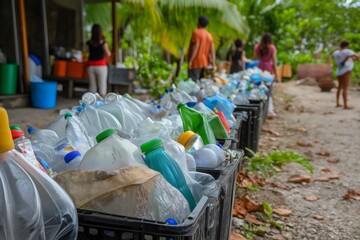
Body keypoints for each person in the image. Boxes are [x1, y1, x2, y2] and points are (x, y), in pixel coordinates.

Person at [188, 16, 216, 81]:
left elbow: (196, 46)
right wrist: (213, 63)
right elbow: (212, 51)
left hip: (196, 62)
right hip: (205, 63)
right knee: (202, 83)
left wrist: (190, 60)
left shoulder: (196, 32)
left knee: (193, 82)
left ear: (198, 22)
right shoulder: (209, 35)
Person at [86, 24, 111, 97]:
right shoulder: (103, 42)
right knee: (102, 87)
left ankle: (91, 104)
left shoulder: (89, 42)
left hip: (90, 66)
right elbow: (108, 53)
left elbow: (86, 52)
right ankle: (102, 105)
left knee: (92, 88)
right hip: (101, 66)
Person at [333, 41, 358, 109]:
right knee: (345, 88)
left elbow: (342, 60)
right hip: (346, 71)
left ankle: (337, 103)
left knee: (339, 87)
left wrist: (349, 58)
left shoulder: (336, 52)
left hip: (339, 71)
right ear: (347, 45)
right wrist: (356, 58)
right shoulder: (348, 51)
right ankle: (345, 105)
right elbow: (356, 56)